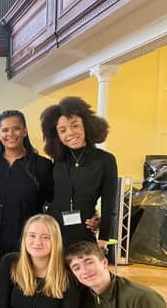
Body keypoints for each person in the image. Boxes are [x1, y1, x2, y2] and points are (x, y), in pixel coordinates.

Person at [0, 110, 53, 277]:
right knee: (2, 298)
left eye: (16, 128)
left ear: (24, 131)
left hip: (27, 245)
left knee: (27, 296)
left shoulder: (42, 166)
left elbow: (55, 201)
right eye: (4, 130)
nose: (10, 134)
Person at [41, 96, 118, 247]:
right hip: (52, 229)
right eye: (62, 130)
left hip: (84, 229)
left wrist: (104, 235)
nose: (69, 133)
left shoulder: (105, 160)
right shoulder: (58, 160)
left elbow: (109, 201)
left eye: (75, 125)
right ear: (57, 135)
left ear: (86, 125)